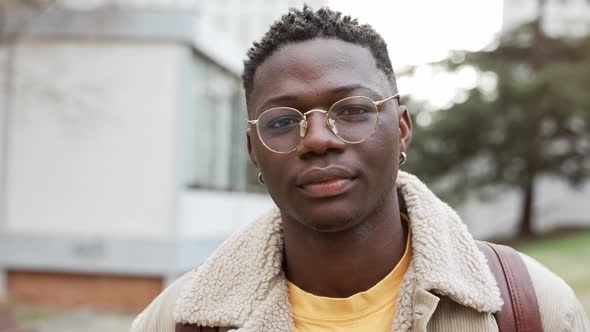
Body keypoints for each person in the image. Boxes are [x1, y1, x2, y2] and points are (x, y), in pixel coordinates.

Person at [132, 6, 589, 332]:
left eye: (351, 110)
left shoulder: (530, 307)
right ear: (254, 150)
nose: (316, 139)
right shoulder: (175, 321)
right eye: (283, 121)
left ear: (403, 129)